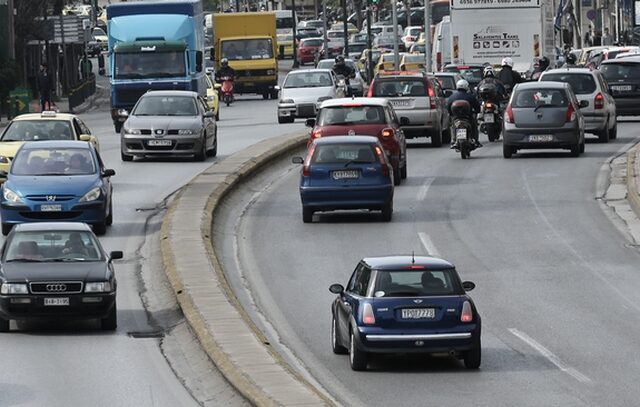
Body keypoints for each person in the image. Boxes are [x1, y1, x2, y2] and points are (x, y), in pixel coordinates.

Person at [447, 79, 481, 147]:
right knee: (474, 126)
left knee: (453, 126)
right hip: (468, 117)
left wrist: (451, 115)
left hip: (456, 118)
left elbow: (448, 107)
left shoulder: (452, 97)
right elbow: (477, 107)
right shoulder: (470, 96)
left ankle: (454, 140)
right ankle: (475, 140)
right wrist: (477, 112)